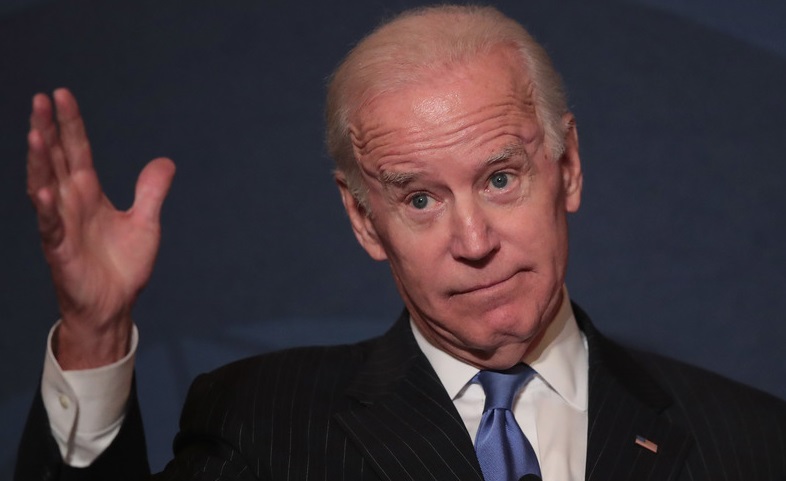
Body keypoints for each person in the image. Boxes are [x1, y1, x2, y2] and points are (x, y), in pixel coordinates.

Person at [15, 5, 786, 481]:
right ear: (362, 219)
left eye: (500, 178)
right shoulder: (263, 423)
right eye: (420, 198)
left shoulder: (751, 442)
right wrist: (95, 332)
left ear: (569, 167)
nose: (474, 239)